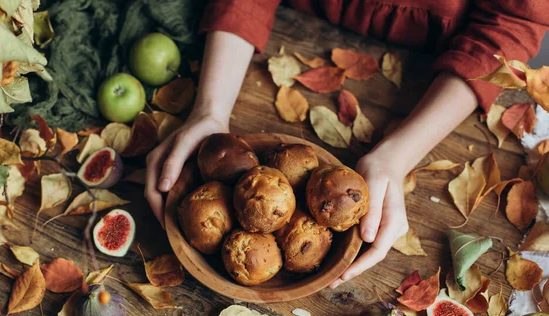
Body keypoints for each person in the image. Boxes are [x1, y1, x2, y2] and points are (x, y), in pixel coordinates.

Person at [145, 0, 549, 289]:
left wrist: (399, 154)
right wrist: (211, 110)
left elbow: (512, 23)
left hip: (433, 65)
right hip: (290, 21)